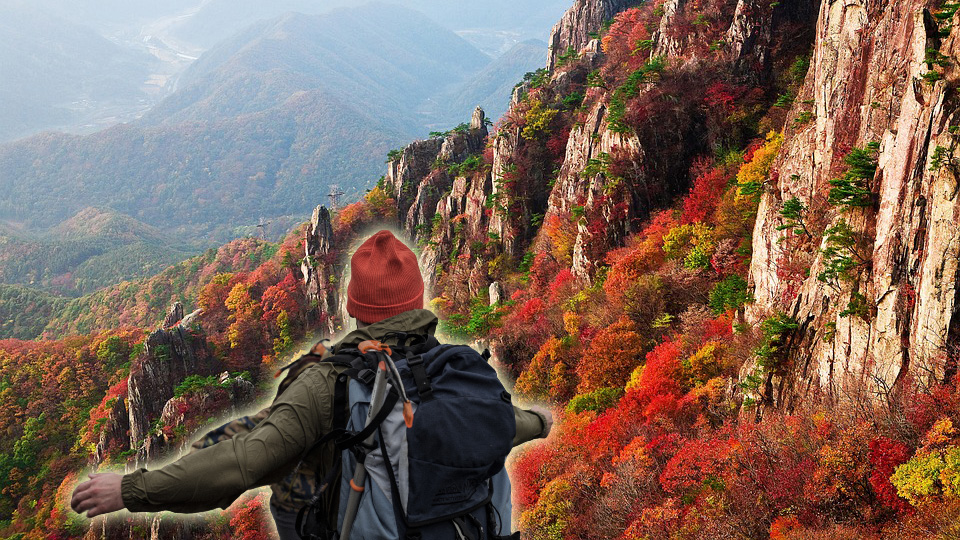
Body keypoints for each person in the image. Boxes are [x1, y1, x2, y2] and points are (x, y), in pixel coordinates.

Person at [71, 229, 552, 538]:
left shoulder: (333, 380)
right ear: (418, 301)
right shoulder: (459, 369)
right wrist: (542, 421)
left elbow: (247, 462)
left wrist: (131, 490)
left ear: (355, 308)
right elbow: (505, 424)